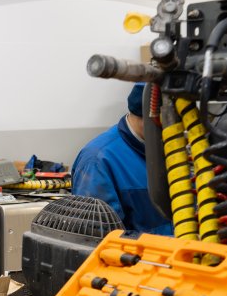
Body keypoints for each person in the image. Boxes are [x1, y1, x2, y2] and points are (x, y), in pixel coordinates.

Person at [71, 83, 172, 235]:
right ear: (152, 118)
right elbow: (97, 235)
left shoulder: (168, 148)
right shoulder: (98, 161)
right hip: (143, 250)